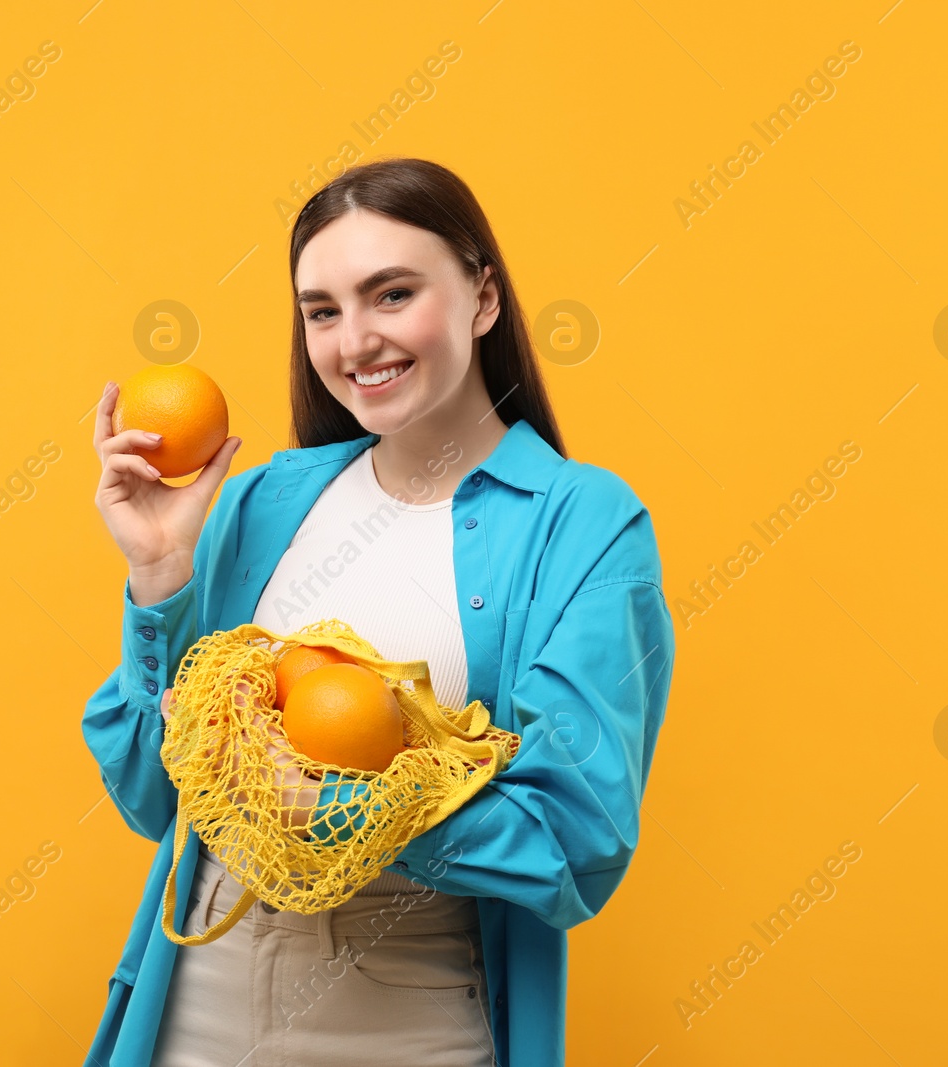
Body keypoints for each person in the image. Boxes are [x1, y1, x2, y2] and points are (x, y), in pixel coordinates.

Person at [82, 157, 675, 1066]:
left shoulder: (583, 524)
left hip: (406, 1020)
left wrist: (339, 811)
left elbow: (574, 840)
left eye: (391, 294)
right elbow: (153, 794)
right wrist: (161, 576)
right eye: (322, 311)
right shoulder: (260, 502)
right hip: (193, 1006)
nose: (354, 341)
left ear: (483, 297)